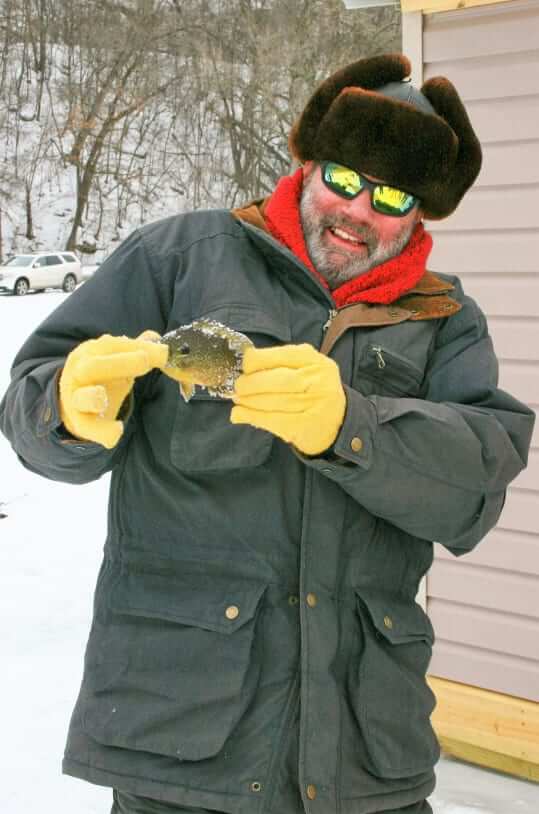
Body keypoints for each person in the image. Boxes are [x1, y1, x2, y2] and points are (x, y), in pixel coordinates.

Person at [0, 53, 534, 814]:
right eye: (344, 179)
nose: (357, 210)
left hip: (364, 754)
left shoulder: (445, 319)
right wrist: (65, 407)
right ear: (310, 167)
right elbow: (32, 404)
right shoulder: (176, 258)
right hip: (181, 737)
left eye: (391, 195)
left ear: (419, 213)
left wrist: (349, 427)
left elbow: (473, 489)